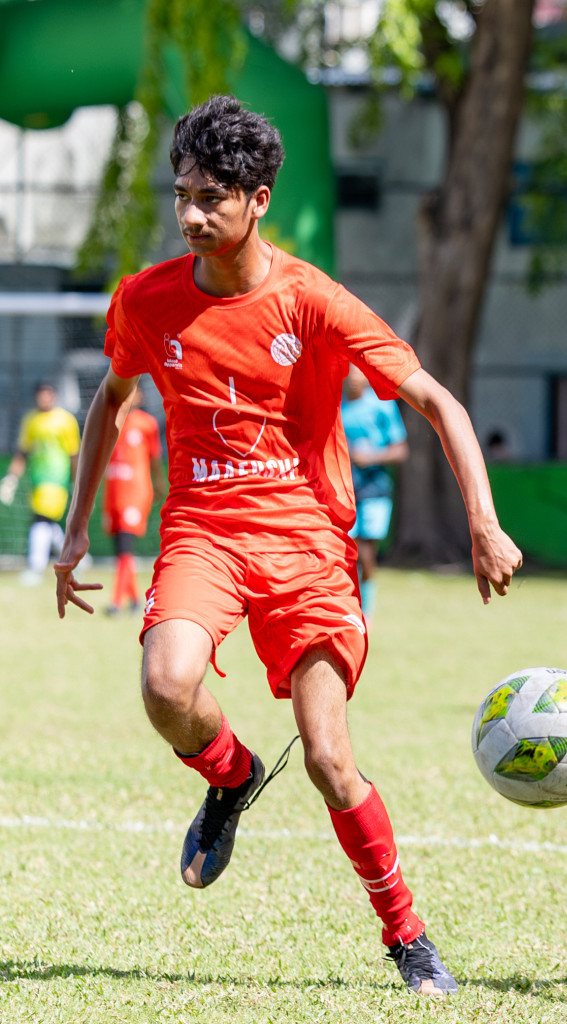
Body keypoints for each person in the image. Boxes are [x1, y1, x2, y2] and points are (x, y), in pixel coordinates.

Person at [52, 96, 523, 997]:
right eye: (182, 195)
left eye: (212, 199)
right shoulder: (147, 300)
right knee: (164, 685)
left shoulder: (312, 301)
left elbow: (438, 401)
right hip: (202, 535)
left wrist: (484, 518)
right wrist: (77, 530)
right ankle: (229, 778)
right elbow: (111, 398)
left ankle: (407, 934)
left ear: (258, 200)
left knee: (328, 758)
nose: (191, 215)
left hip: (308, 546)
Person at [341, 365, 407, 624]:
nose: (356, 379)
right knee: (345, 552)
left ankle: (365, 610)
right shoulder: (337, 407)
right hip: (343, 490)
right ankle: (344, 606)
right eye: (352, 374)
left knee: (366, 552)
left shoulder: (382, 407)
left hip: (374, 489)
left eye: (360, 374)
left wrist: (371, 457)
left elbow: (400, 449)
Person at [2, 381, 80, 586]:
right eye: (40, 395)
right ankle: (77, 557)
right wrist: (11, 479)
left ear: (54, 395)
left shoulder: (65, 420)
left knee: (40, 520)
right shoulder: (31, 420)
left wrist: (77, 482)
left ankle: (35, 567)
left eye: (47, 394)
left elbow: (73, 454)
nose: (44, 398)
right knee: (48, 523)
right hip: (37, 480)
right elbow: (23, 452)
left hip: (57, 479)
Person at [102, 381, 165, 615]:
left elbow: (156, 459)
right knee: (120, 551)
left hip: (136, 493)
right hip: (113, 493)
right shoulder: (111, 421)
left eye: (134, 391)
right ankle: (136, 599)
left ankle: (116, 602)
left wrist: (159, 485)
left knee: (126, 548)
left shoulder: (146, 424)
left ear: (140, 397)